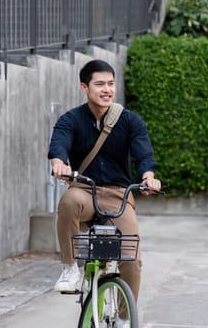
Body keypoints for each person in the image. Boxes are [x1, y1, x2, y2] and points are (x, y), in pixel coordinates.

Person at [47, 59, 161, 303]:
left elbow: (144, 155)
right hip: (85, 191)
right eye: (99, 84)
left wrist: (148, 177)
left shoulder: (131, 121)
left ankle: (123, 318)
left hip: (119, 195)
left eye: (110, 84)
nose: (107, 89)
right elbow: (59, 143)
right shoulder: (71, 119)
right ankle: (70, 269)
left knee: (132, 259)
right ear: (84, 88)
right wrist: (58, 163)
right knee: (69, 201)